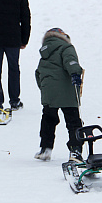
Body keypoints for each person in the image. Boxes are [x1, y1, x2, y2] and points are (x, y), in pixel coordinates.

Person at [33, 28, 84, 163]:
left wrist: (44, 88)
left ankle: (45, 148)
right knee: (73, 121)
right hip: (67, 90)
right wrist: (75, 74)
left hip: (49, 92)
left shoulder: (44, 52)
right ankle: (76, 150)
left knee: (48, 119)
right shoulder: (67, 47)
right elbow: (71, 61)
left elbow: (38, 73)